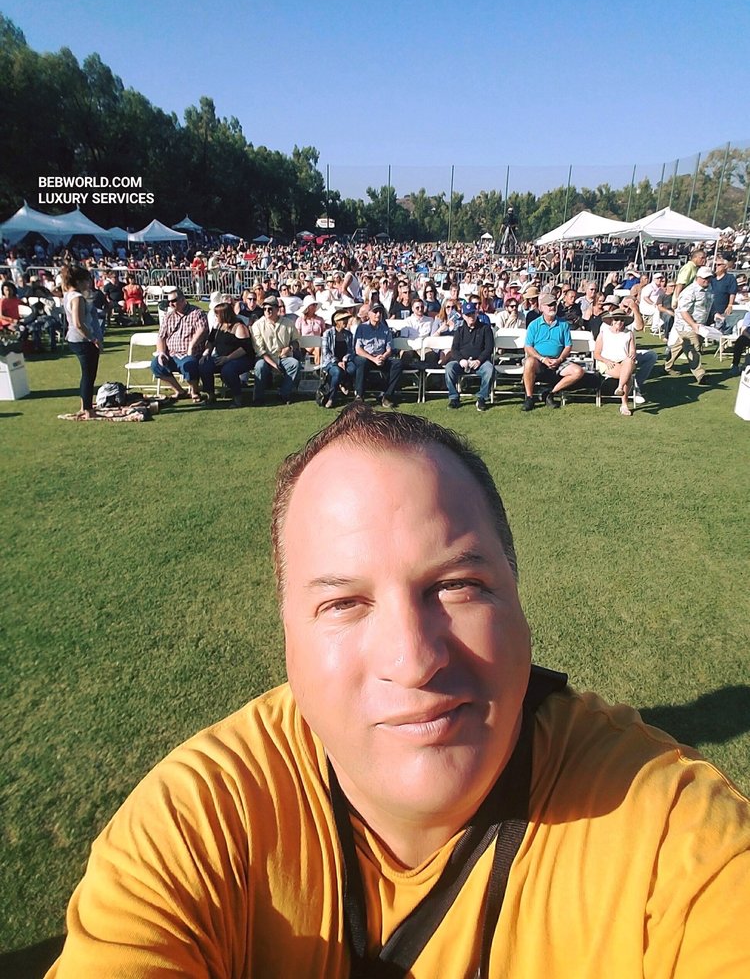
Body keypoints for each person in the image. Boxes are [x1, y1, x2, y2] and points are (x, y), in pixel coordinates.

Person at [47, 405, 750, 979]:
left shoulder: (674, 837)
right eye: (344, 603)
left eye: (457, 586)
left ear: (519, 602)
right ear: (287, 638)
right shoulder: (200, 822)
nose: (412, 661)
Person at [521, 293, 585, 410]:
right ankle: (529, 398)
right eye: (549, 305)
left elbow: (568, 346)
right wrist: (542, 359)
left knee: (578, 371)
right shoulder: (534, 325)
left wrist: (559, 359)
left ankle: (550, 394)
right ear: (541, 307)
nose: (552, 307)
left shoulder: (563, 324)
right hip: (539, 360)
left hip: (558, 360)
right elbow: (528, 347)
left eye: (554, 304)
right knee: (529, 362)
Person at [60, 264, 103, 420]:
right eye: (86, 280)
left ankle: (84, 406)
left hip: (74, 338)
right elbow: (78, 323)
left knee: (86, 375)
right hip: (83, 340)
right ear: (78, 281)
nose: (88, 283)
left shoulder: (67, 295)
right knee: (89, 376)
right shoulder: (77, 297)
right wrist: (93, 339)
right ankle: (88, 410)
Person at [150, 287, 208, 403]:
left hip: (190, 353)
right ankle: (180, 391)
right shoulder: (168, 316)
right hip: (171, 354)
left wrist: (191, 345)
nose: (170, 304)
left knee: (189, 365)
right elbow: (161, 336)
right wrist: (161, 353)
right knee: (156, 365)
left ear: (182, 300)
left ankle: (195, 391)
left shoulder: (197, 313)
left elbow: (203, 329)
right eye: (169, 302)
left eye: (173, 301)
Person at [198, 301, 253, 409]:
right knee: (204, 365)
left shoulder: (239, 327)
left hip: (240, 358)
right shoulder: (218, 326)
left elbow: (245, 348)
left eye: (217, 315)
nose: (215, 317)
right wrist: (206, 353)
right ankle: (211, 395)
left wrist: (228, 358)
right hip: (220, 357)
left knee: (228, 370)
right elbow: (210, 341)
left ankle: (237, 397)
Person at [665, 267, 713, 384]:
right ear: (697, 278)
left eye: (709, 278)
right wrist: (693, 324)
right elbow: (683, 311)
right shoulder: (689, 291)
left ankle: (667, 366)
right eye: (705, 278)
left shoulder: (710, 289)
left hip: (700, 325)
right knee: (694, 349)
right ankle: (700, 375)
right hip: (686, 325)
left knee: (680, 346)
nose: (707, 280)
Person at [444, 302, 495, 412]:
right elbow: (454, 349)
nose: (471, 317)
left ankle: (482, 398)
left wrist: (479, 361)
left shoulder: (485, 328)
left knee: (489, 369)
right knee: (449, 367)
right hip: (462, 362)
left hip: (480, 362)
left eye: (472, 313)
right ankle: (454, 398)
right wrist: (461, 360)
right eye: (468, 315)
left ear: (476, 313)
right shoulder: (459, 330)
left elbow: (489, 348)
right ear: (463, 316)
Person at [251, 295, 301, 405]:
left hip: (283, 357)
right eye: (265, 309)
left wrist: (290, 348)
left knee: (295, 364)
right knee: (259, 366)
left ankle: (284, 394)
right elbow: (260, 351)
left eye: (270, 308)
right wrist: (274, 365)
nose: (267, 311)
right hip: (265, 358)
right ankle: (258, 397)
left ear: (277, 309)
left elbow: (297, 341)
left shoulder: (288, 323)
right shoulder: (257, 325)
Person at [352, 302, 403, 408]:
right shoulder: (361, 328)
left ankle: (387, 395)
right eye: (375, 312)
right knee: (361, 361)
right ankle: (359, 396)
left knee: (397, 363)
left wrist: (383, 356)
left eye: (380, 312)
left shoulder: (385, 329)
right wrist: (373, 359)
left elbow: (389, 349)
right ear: (369, 314)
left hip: (381, 357)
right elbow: (358, 349)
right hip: (367, 357)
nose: (378, 314)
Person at [593, 307, 637, 416]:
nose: (619, 322)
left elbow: (632, 351)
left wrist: (632, 354)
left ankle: (620, 387)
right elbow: (596, 354)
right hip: (607, 362)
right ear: (612, 320)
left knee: (628, 362)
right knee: (628, 375)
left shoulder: (629, 333)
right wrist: (606, 361)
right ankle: (624, 404)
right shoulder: (603, 333)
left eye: (622, 320)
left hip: (624, 362)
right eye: (616, 319)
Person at [320, 307, 356, 408]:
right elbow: (326, 352)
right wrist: (337, 361)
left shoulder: (348, 334)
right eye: (343, 319)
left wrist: (345, 358)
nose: (346, 321)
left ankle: (343, 383)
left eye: (346, 319)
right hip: (330, 362)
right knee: (337, 371)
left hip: (345, 361)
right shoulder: (328, 334)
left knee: (353, 369)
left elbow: (351, 350)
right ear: (337, 322)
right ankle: (331, 397)